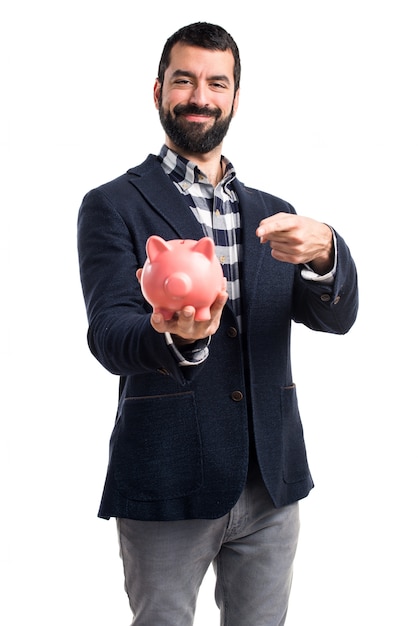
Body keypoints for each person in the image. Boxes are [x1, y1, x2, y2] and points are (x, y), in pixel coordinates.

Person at [77, 22, 358, 626]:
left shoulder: (274, 213)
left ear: (234, 98)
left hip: (270, 481)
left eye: (216, 83)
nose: (199, 96)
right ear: (158, 92)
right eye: (184, 80)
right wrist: (173, 338)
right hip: (166, 477)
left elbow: (335, 317)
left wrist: (328, 251)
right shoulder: (113, 205)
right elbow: (109, 333)